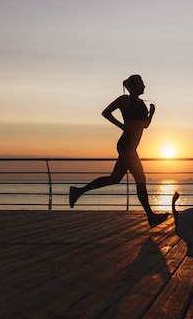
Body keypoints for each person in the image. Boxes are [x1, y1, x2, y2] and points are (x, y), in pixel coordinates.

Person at [69, 75, 169, 228]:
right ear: (134, 86)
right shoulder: (125, 100)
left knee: (114, 179)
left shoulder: (142, 103)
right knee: (141, 179)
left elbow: (145, 125)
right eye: (141, 84)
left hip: (131, 146)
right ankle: (151, 217)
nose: (144, 86)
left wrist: (151, 114)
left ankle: (77, 191)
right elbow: (106, 112)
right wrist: (122, 127)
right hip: (126, 144)